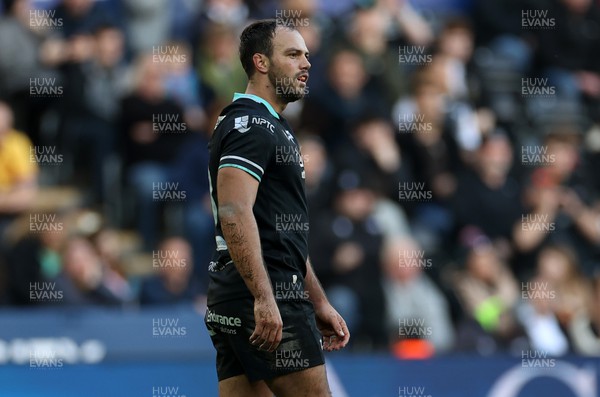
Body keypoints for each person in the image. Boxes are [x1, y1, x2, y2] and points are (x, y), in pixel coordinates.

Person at [205, 19, 349, 397]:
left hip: (244, 292)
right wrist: (265, 298)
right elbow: (234, 211)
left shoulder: (271, 125)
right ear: (261, 62)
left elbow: (281, 234)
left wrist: (317, 300)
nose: (307, 64)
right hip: (266, 293)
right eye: (293, 54)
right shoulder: (251, 124)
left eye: (307, 55)